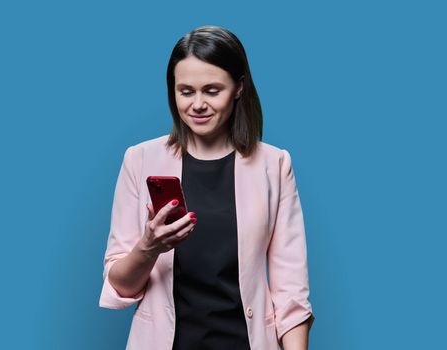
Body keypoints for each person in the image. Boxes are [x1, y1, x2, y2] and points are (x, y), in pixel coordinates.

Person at [99, 25, 315, 350]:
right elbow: (120, 287)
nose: (197, 104)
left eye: (212, 91)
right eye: (186, 91)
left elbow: (291, 292)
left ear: (239, 88)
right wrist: (150, 245)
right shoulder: (140, 160)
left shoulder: (275, 164)